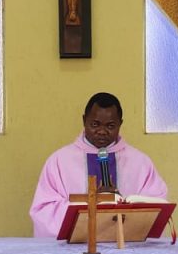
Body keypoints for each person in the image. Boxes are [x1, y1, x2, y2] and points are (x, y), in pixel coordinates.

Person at [30, 92, 168, 237]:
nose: (102, 131)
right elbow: (44, 211)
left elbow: (157, 204)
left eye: (110, 126)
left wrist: (121, 204)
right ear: (84, 120)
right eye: (95, 124)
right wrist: (95, 205)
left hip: (127, 246)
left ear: (120, 123)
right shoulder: (59, 161)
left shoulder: (140, 162)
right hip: (74, 247)